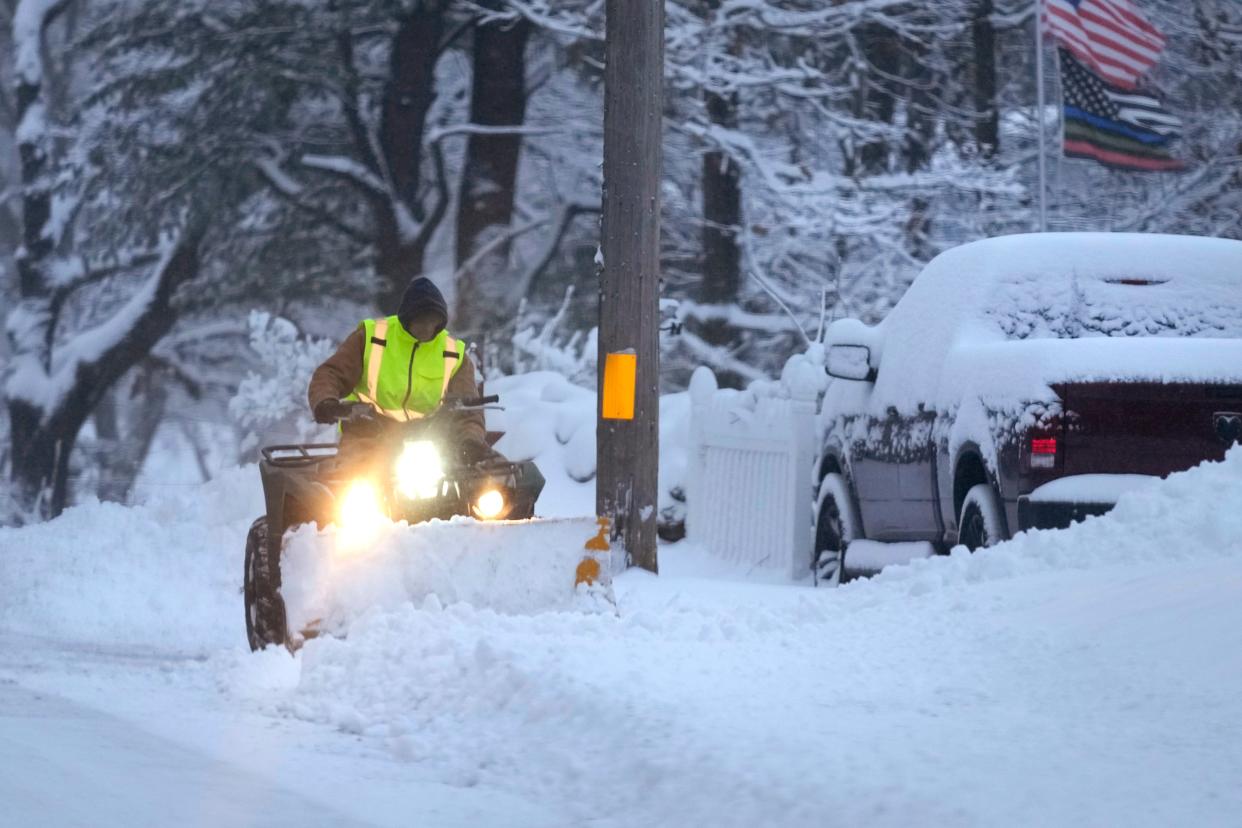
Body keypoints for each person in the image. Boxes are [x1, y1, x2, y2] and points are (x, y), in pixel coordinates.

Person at [307, 277, 496, 464]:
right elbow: (331, 373)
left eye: (433, 320)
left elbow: (469, 409)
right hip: (367, 435)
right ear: (407, 318)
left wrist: (470, 440)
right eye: (420, 320)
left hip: (434, 443)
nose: (427, 326)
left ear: (441, 321)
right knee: (348, 486)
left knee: (486, 483)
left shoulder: (453, 354)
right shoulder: (372, 337)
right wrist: (326, 402)